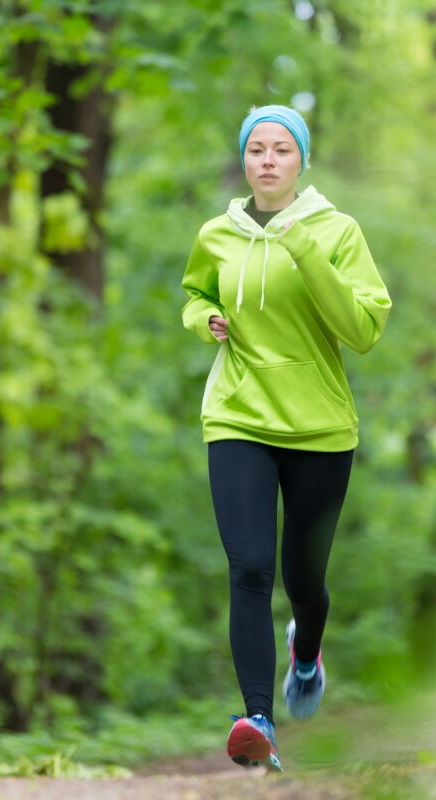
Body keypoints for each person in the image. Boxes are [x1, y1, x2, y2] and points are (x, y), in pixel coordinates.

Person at [180, 104, 392, 771]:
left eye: (281, 151)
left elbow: (363, 330)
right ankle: (257, 719)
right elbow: (194, 292)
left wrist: (303, 247)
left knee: (304, 578)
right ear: (244, 160)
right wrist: (205, 316)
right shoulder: (219, 232)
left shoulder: (337, 231)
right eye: (256, 150)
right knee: (248, 568)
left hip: (319, 427)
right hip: (238, 415)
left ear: (300, 161)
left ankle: (306, 651)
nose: (267, 161)